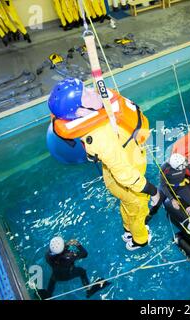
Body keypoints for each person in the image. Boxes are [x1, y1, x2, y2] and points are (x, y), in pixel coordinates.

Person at [48, 78, 159, 251]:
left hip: (116, 177)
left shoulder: (97, 118)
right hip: (126, 180)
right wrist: (152, 190)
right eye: (86, 94)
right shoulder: (102, 138)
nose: (93, 91)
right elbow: (125, 175)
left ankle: (128, 230)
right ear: (81, 112)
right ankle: (139, 240)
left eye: (87, 88)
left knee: (128, 206)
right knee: (137, 209)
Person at [40, 237, 109, 299]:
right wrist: (77, 243)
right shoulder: (69, 256)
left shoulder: (47, 255)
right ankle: (89, 290)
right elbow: (85, 254)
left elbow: (58, 255)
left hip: (56, 275)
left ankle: (48, 294)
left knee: (53, 280)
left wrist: (65, 246)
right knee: (82, 272)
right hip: (68, 274)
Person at [148, 153, 190, 221]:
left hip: (181, 186)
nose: (183, 167)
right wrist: (172, 199)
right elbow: (163, 185)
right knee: (156, 204)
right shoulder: (164, 168)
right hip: (168, 186)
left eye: (184, 166)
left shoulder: (184, 161)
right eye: (181, 167)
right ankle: (149, 216)